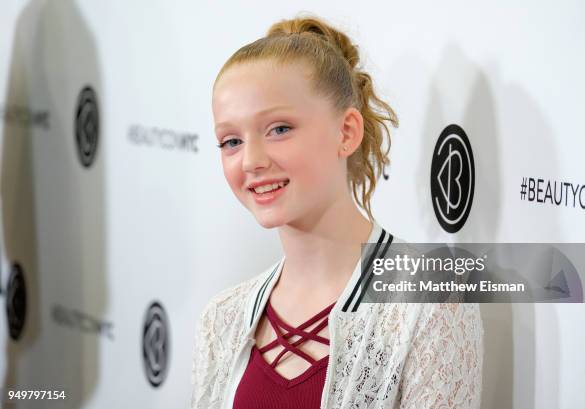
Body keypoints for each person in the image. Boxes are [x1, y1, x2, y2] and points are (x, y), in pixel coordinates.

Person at [191, 13, 483, 409]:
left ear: (346, 132)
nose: (250, 161)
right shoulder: (221, 320)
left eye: (279, 129)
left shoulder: (427, 305)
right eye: (230, 141)